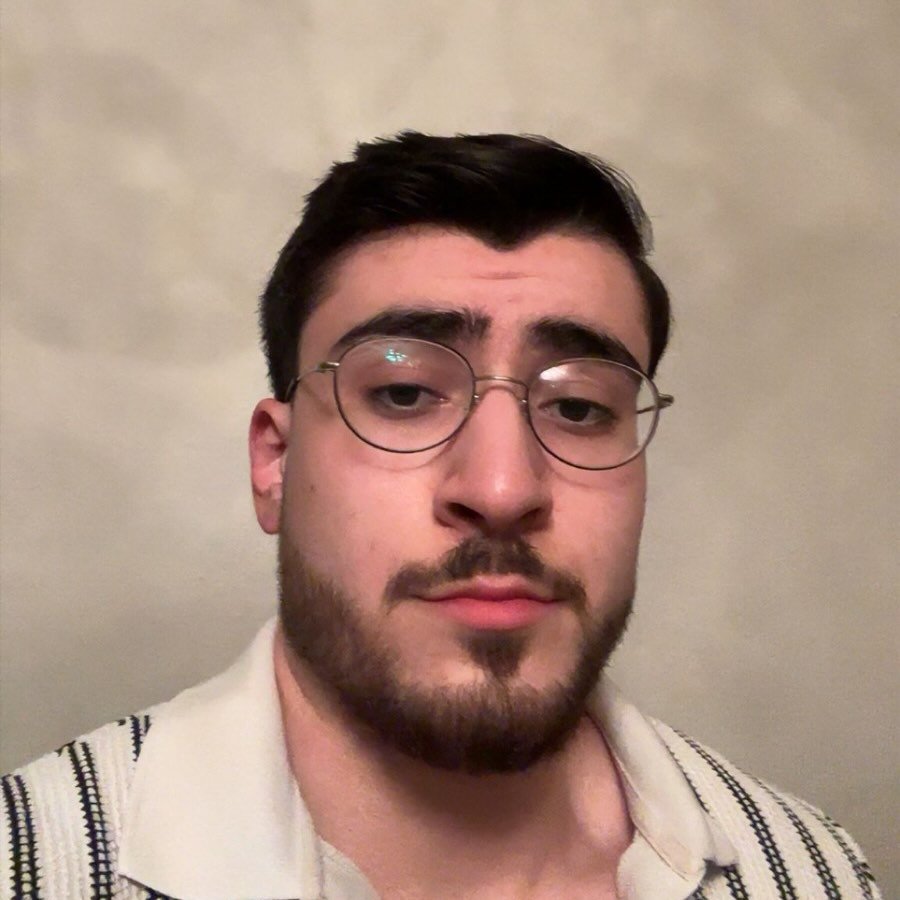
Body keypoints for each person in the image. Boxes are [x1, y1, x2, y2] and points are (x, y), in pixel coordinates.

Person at [0, 132, 881, 900]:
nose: (501, 488)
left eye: (579, 407)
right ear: (275, 462)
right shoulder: (28, 864)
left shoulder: (816, 874)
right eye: (404, 392)